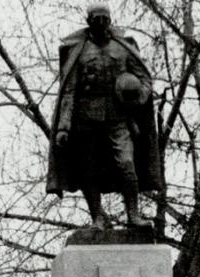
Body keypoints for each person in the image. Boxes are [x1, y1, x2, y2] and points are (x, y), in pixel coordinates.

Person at [47, 3, 163, 229]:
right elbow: (69, 91)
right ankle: (97, 218)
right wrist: (63, 127)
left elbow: (145, 79)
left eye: (104, 19)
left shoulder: (123, 48)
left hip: (119, 117)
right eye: (96, 19)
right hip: (86, 119)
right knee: (89, 169)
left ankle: (133, 215)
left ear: (110, 21)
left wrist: (138, 96)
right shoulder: (78, 52)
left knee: (127, 163)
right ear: (89, 21)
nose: (101, 23)